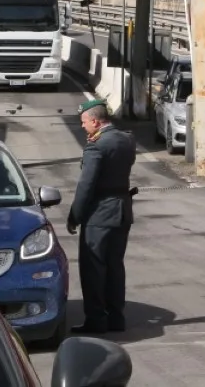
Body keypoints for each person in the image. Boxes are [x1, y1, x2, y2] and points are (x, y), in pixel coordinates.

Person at [67, 98, 137, 334]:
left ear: (95, 121)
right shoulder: (126, 139)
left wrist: (75, 215)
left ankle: (96, 320)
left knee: (93, 268)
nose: (83, 126)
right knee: (115, 267)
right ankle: (116, 319)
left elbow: (86, 185)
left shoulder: (96, 146)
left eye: (84, 122)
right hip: (122, 210)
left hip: (100, 213)